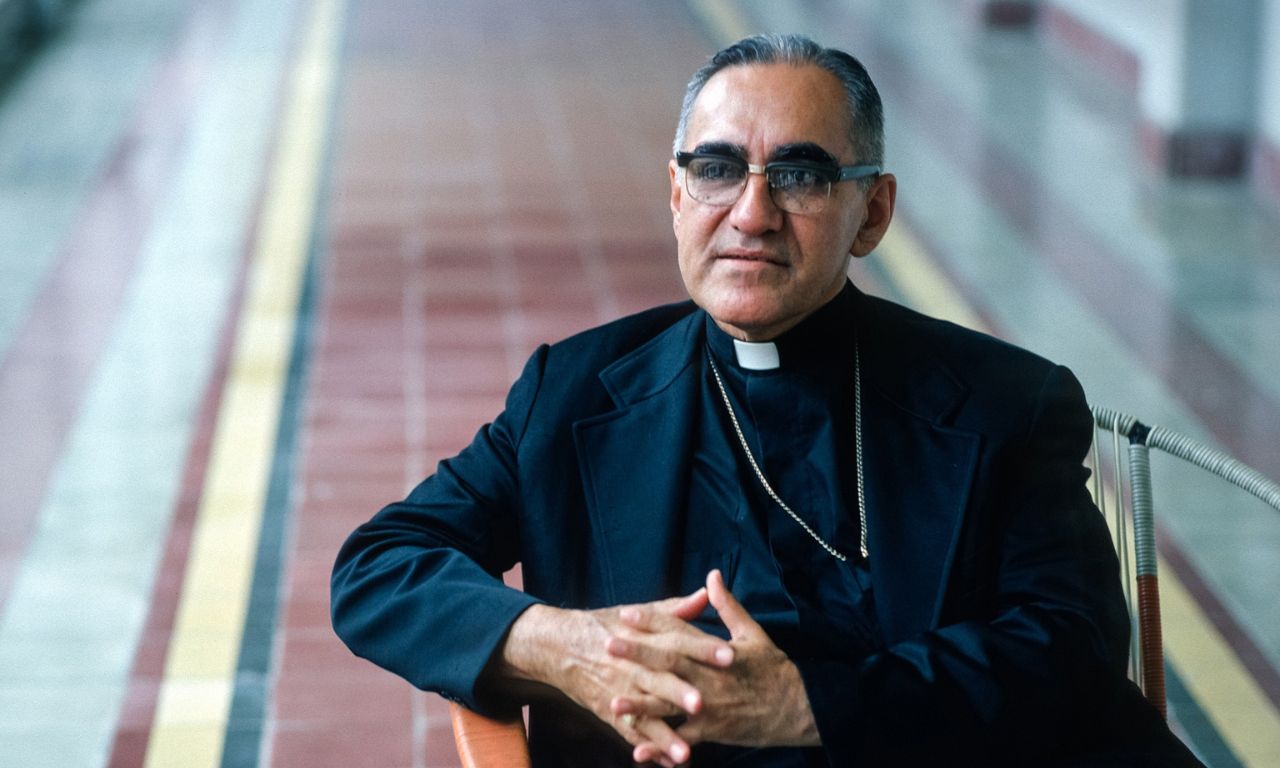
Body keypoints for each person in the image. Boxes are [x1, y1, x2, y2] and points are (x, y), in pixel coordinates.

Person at [331, 34, 1201, 767]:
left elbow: (1075, 643)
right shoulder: (574, 393)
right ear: (677, 195)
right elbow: (380, 567)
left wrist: (809, 705)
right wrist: (562, 645)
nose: (752, 214)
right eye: (717, 169)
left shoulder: (1005, 403)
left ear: (872, 213)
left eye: (799, 176)